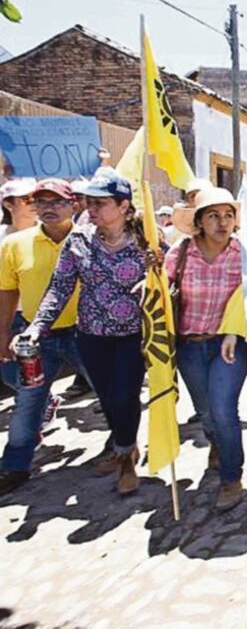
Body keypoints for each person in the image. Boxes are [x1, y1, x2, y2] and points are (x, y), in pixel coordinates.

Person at [20, 168, 158, 496]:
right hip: (91, 336)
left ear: (124, 206)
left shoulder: (147, 238)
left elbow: (169, 279)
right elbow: (61, 286)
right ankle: (125, 444)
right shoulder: (79, 240)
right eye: (89, 202)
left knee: (125, 395)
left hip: (132, 335)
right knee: (108, 399)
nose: (91, 209)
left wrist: (153, 278)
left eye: (100, 203)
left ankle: (125, 459)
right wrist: (39, 325)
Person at [0, 179, 88, 495]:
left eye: (57, 202)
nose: (48, 208)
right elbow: (7, 291)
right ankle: (14, 466)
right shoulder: (14, 244)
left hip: (86, 333)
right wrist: (3, 333)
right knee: (28, 401)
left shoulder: (90, 240)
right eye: (42, 202)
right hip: (37, 335)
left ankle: (122, 450)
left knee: (112, 392)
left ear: (74, 205)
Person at [166, 187, 247, 512]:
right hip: (190, 345)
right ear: (199, 221)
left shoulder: (244, 253)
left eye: (228, 215)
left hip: (230, 344)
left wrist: (235, 329)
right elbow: (161, 287)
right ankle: (217, 444)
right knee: (206, 412)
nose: (222, 222)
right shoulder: (182, 252)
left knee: (224, 409)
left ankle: (232, 477)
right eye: (213, 215)